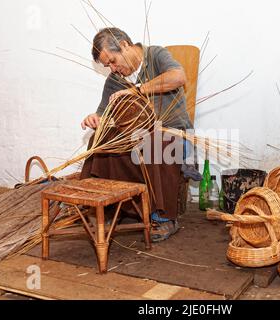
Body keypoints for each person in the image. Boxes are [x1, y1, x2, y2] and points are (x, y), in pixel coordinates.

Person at [80, 27, 200, 241]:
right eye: (107, 65)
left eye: (113, 61)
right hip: (135, 139)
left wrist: (136, 89)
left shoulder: (156, 55)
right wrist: (95, 118)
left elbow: (178, 77)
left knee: (155, 141)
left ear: (124, 45)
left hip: (172, 134)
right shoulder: (114, 79)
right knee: (98, 139)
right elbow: (103, 114)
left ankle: (163, 218)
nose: (113, 68)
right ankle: (105, 206)